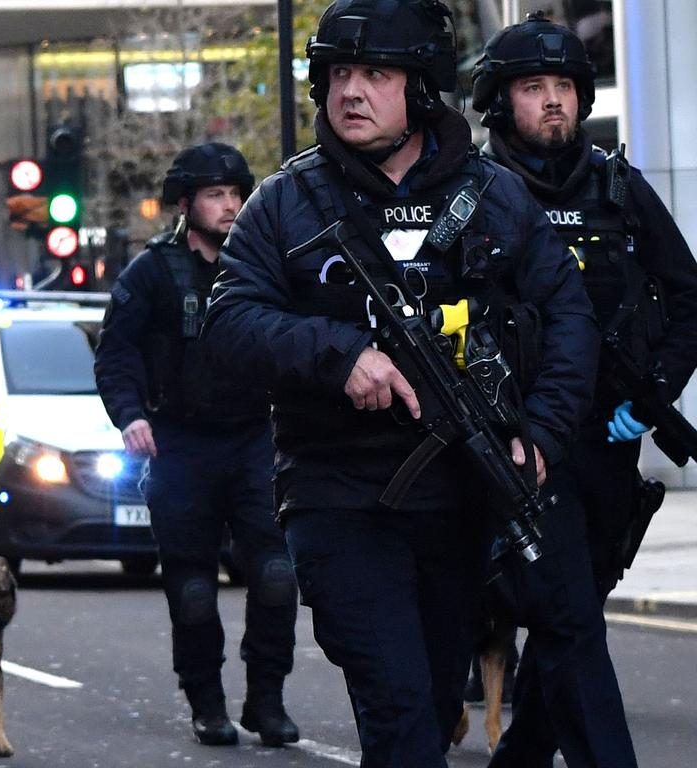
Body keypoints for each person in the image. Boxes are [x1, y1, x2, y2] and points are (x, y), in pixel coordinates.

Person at [201, 0, 631, 764]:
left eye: (375, 74)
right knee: (397, 704)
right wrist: (341, 356)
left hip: (462, 499)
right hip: (339, 495)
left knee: (432, 706)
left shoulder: (494, 198)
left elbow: (569, 321)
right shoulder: (284, 204)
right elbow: (230, 322)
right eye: (337, 75)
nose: (350, 92)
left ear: (421, 88)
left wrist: (541, 434)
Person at [472, 13, 697, 766]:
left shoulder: (618, 187)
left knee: (573, 622)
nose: (553, 101)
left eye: (563, 85)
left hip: (608, 441)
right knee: (569, 619)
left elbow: (688, 296)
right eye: (533, 88)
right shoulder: (471, 194)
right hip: (523, 443)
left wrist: (655, 392)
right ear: (503, 101)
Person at [94, 143, 300, 748]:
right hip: (179, 445)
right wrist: (130, 417)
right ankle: (207, 703)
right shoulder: (153, 272)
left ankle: (267, 698)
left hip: (255, 439)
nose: (231, 206)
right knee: (191, 587)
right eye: (216, 195)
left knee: (275, 573)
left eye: (238, 194)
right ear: (186, 204)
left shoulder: (265, 265)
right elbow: (116, 353)